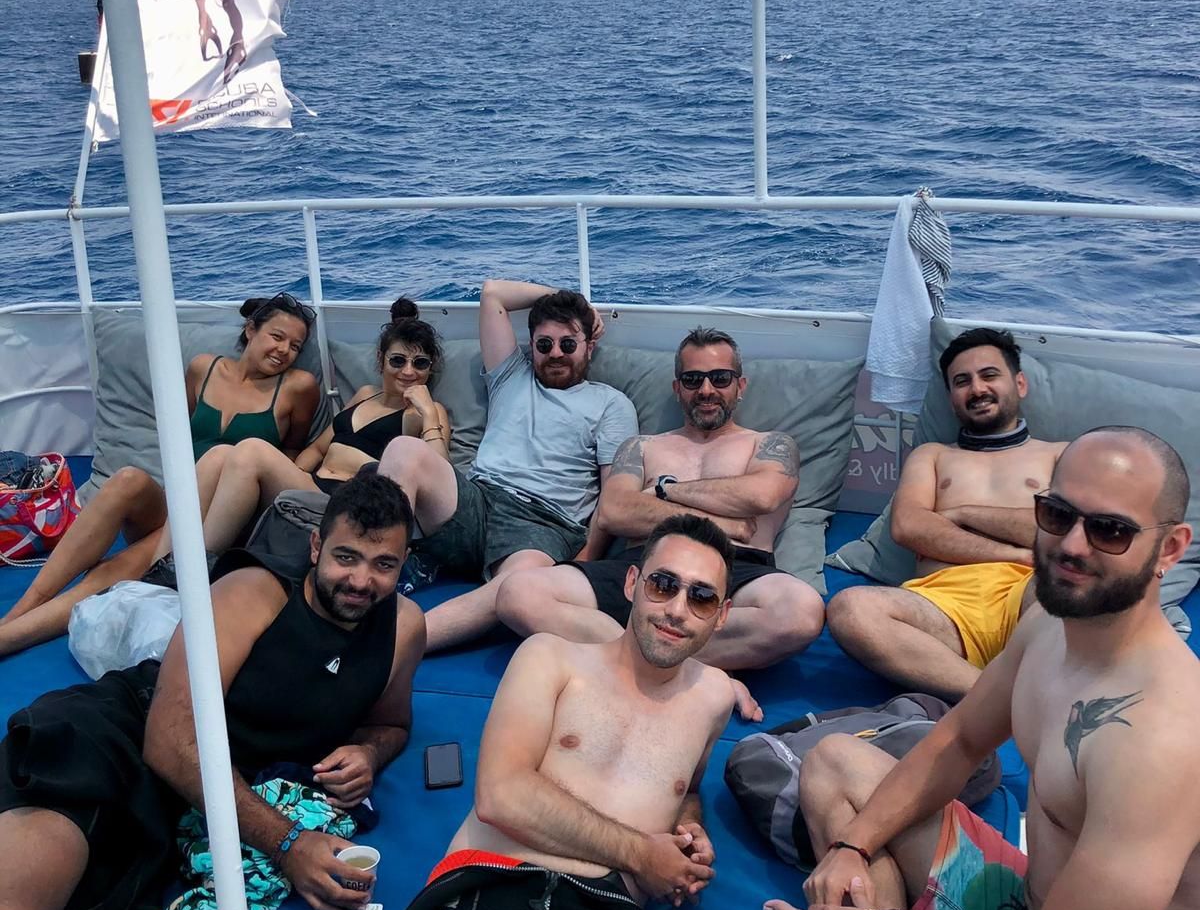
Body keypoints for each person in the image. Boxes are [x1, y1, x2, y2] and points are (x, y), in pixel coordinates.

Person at [764, 427, 1200, 910]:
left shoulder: (1164, 737)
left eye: (1111, 530)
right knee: (836, 764)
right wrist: (850, 848)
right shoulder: (1047, 628)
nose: (1073, 545)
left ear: (1170, 549)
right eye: (1058, 515)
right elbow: (957, 741)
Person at [342, 514, 783, 910]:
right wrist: (642, 854)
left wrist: (688, 830)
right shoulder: (552, 658)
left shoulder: (712, 699)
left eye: (701, 597)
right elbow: (502, 796)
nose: (677, 609)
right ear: (631, 583)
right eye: (663, 585)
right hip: (488, 899)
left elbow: (686, 788)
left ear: (722, 614)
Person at [0, 472, 424, 910]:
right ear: (316, 546)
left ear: (403, 563)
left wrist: (368, 751)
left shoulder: (403, 627)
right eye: (346, 557)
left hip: (176, 820)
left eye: (383, 565)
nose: (361, 581)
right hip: (119, 740)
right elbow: (168, 741)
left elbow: (391, 724)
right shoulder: (253, 594)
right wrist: (289, 844)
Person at [496, 326, 824, 717]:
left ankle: (633, 657)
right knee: (518, 593)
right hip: (642, 567)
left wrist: (665, 489)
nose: (706, 389)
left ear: (740, 386)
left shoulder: (769, 444)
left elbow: (761, 495)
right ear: (677, 387)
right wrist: (725, 518)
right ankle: (696, 670)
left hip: (737, 568)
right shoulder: (642, 446)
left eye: (720, 378)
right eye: (692, 379)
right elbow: (615, 510)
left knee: (801, 613)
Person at [0, 293, 320, 660]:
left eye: (295, 346)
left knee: (115, 569)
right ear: (250, 329)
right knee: (128, 480)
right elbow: (178, 434)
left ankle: (11, 636)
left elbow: (290, 452)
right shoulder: (203, 368)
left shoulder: (298, 387)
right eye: (277, 336)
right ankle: (23, 607)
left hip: (223, 518)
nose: (284, 351)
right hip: (177, 499)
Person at [378, 279, 638, 652]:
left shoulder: (612, 405)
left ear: (589, 346)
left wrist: (583, 563)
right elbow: (492, 294)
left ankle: (393, 645)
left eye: (568, 344)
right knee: (404, 449)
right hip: (477, 500)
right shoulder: (511, 374)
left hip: (543, 523)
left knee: (515, 586)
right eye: (544, 344)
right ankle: (372, 574)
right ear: (531, 345)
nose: (556, 354)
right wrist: (576, 302)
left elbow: (612, 497)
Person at [828, 328, 1065, 699]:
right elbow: (908, 527)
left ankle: (993, 696)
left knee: (1075, 595)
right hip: (943, 604)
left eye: (989, 375)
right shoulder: (933, 455)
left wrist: (963, 513)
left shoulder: (1060, 454)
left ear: (1020, 384)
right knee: (849, 608)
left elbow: (1065, 531)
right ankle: (994, 700)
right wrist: (1016, 552)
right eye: (962, 381)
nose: (977, 389)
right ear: (951, 398)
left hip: (1031, 593)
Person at [162, 297, 453, 564]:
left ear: (430, 369)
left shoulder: (428, 411)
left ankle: (195, 566)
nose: (408, 371)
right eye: (398, 360)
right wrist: (284, 473)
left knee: (250, 450)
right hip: (312, 486)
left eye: (420, 363)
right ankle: (162, 563)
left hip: (347, 502)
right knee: (218, 455)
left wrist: (428, 414)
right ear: (381, 360)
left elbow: (442, 478)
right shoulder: (365, 394)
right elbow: (317, 448)